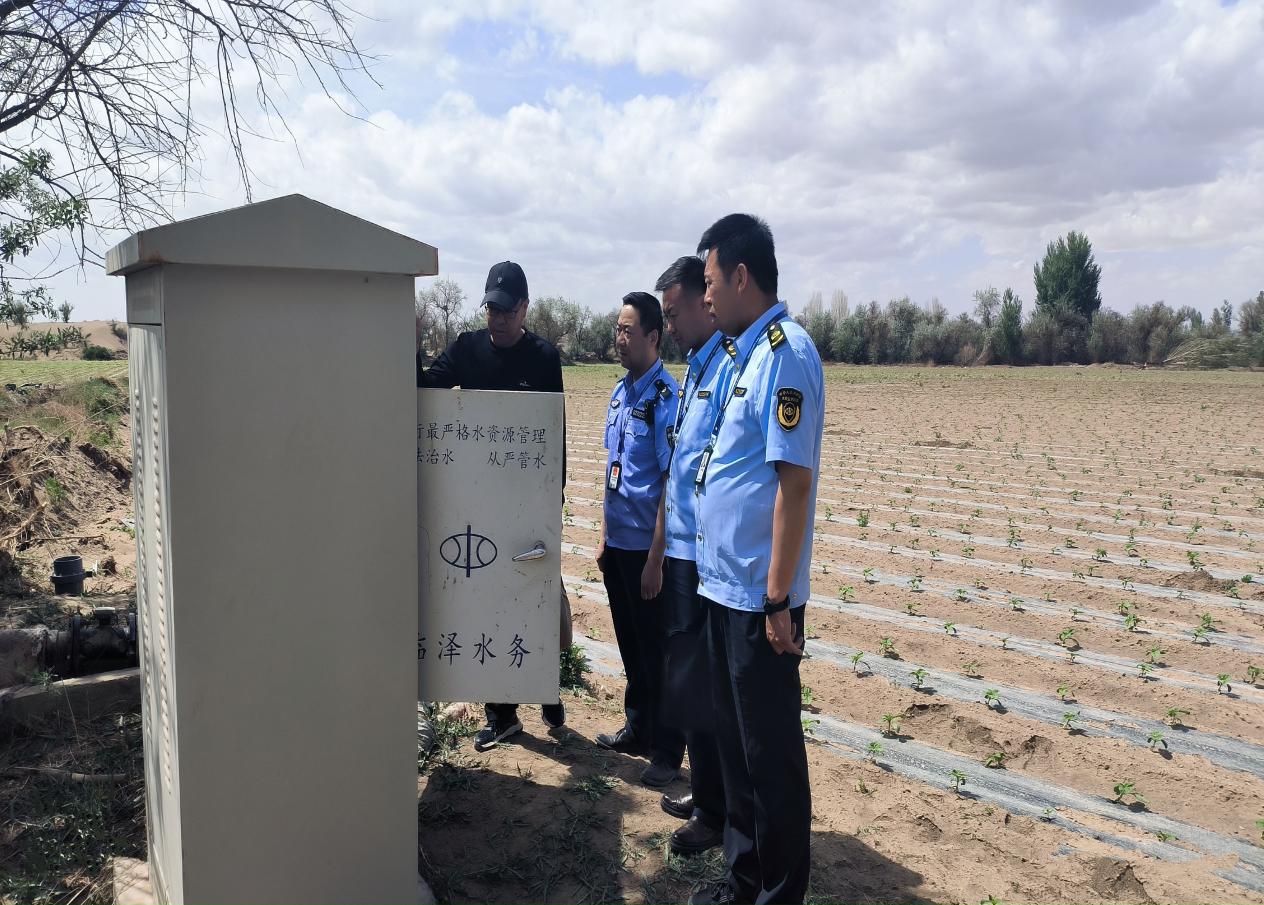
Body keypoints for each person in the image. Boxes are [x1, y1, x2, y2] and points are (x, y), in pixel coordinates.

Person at [690, 215, 823, 905]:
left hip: (758, 600)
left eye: (711, 280)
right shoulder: (742, 355)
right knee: (738, 755)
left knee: (770, 761)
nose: (706, 295)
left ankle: (777, 894)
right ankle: (741, 883)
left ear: (741, 276)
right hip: (724, 589)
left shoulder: (785, 353)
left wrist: (777, 599)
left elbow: (792, 485)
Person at [417, 260, 568, 752]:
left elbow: (556, 431)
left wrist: (555, 495)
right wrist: (407, 346)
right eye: (491, 309)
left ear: (524, 308)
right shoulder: (466, 349)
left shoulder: (543, 358)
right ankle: (502, 714)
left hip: (528, 499)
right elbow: (425, 388)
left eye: (506, 310)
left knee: (538, 593)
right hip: (480, 500)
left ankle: (546, 687)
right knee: (490, 598)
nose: (497, 319)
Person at [644, 256, 726, 857]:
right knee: (689, 681)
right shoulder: (695, 369)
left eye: (674, 314)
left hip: (704, 556)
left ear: (706, 299)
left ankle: (717, 812)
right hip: (680, 550)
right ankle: (707, 795)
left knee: (707, 686)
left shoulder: (727, 367)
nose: (669, 325)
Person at [594, 291, 685, 788]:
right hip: (618, 546)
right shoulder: (619, 392)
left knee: (659, 653)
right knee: (631, 645)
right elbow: (612, 469)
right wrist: (604, 535)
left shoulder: (665, 400)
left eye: (628, 331)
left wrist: (656, 558)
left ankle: (667, 752)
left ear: (653, 336)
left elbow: (670, 484)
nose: (620, 338)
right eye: (617, 329)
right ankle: (638, 728)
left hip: (647, 552)